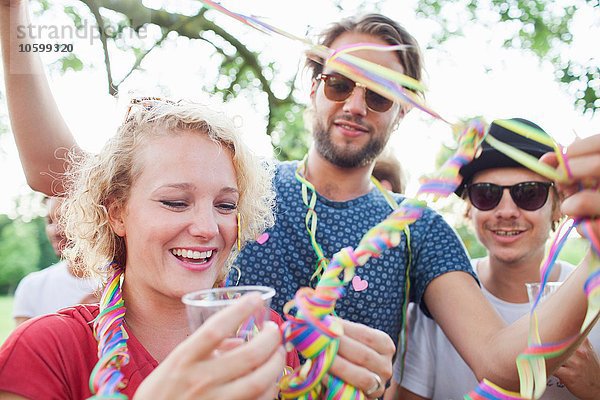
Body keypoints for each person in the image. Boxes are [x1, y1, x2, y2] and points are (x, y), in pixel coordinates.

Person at [1, 1, 598, 393]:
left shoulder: (417, 227)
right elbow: (56, 170)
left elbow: (500, 358)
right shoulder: (234, 188)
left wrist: (596, 254)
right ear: (313, 87)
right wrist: (14, 15)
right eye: (340, 82)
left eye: (382, 94)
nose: (357, 104)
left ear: (403, 114)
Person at [0, 98, 394, 399]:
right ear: (117, 213)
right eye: (175, 202)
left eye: (225, 206)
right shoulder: (45, 350)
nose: (208, 229)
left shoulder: (266, 337)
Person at [386, 119, 600, 400]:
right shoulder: (437, 299)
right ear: (468, 209)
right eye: (486, 194)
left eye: (529, 193)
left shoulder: (593, 297)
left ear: (557, 206)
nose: (507, 211)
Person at [12, 196, 99, 326]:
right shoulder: (32, 287)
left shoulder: (122, 285)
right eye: (49, 221)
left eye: (66, 219)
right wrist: (76, 321)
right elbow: (25, 345)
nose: (55, 231)